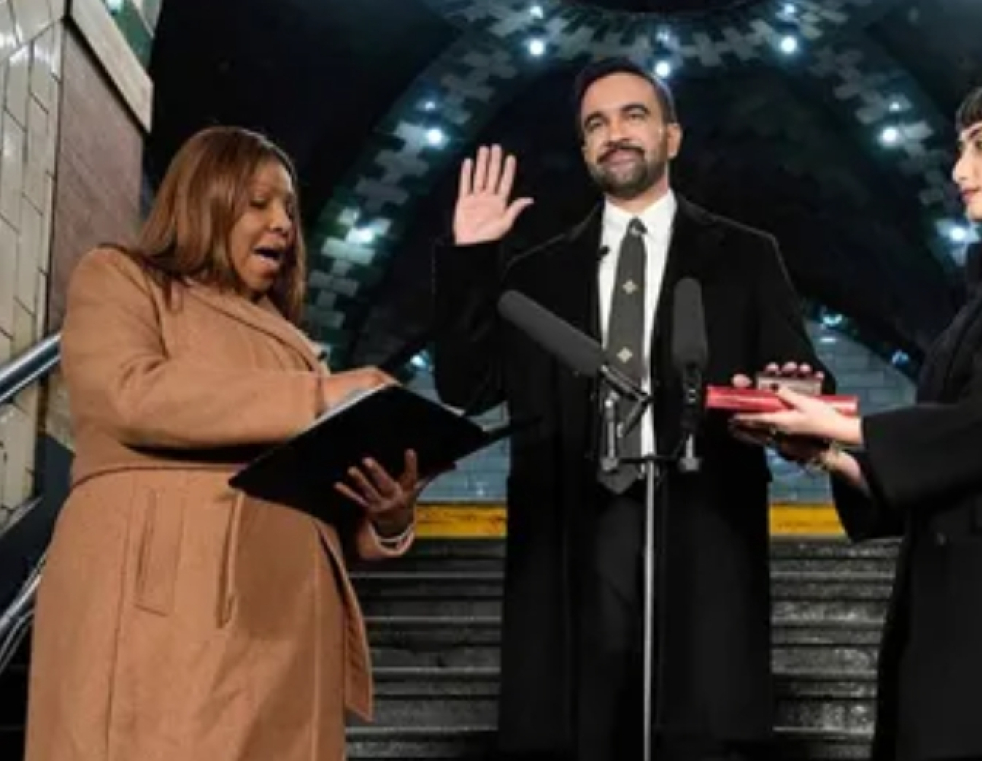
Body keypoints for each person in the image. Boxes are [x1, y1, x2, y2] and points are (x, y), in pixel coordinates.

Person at [432, 58, 857, 761]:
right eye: (596, 124)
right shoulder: (537, 275)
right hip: (571, 537)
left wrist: (795, 392)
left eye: (634, 115)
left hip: (702, 526)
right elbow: (466, 385)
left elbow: (800, 378)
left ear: (672, 136)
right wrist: (471, 258)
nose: (615, 133)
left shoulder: (745, 256)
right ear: (584, 150)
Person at [734, 73, 982, 761]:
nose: (958, 170)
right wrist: (827, 453)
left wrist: (847, 426)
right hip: (953, 627)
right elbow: (951, 459)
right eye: (960, 149)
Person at [25, 126, 446, 761]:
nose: (283, 225)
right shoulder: (123, 278)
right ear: (203, 201)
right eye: (257, 204)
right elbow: (128, 394)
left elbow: (324, 498)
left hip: (288, 626)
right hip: (167, 608)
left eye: (289, 210)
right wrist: (321, 396)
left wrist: (386, 517)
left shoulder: (297, 345)